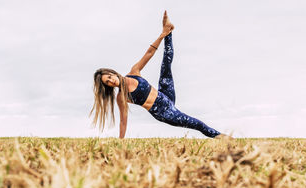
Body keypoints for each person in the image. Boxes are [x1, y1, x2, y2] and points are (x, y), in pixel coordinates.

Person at [90, 11, 230, 139]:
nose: (111, 81)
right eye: (107, 83)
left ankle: (168, 30)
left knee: (166, 63)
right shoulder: (121, 97)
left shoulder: (133, 72)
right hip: (164, 113)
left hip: (165, 94)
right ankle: (225, 139)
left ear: (112, 73)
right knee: (198, 124)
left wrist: (162, 34)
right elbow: (123, 121)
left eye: (109, 77)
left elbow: (149, 53)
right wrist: (121, 140)